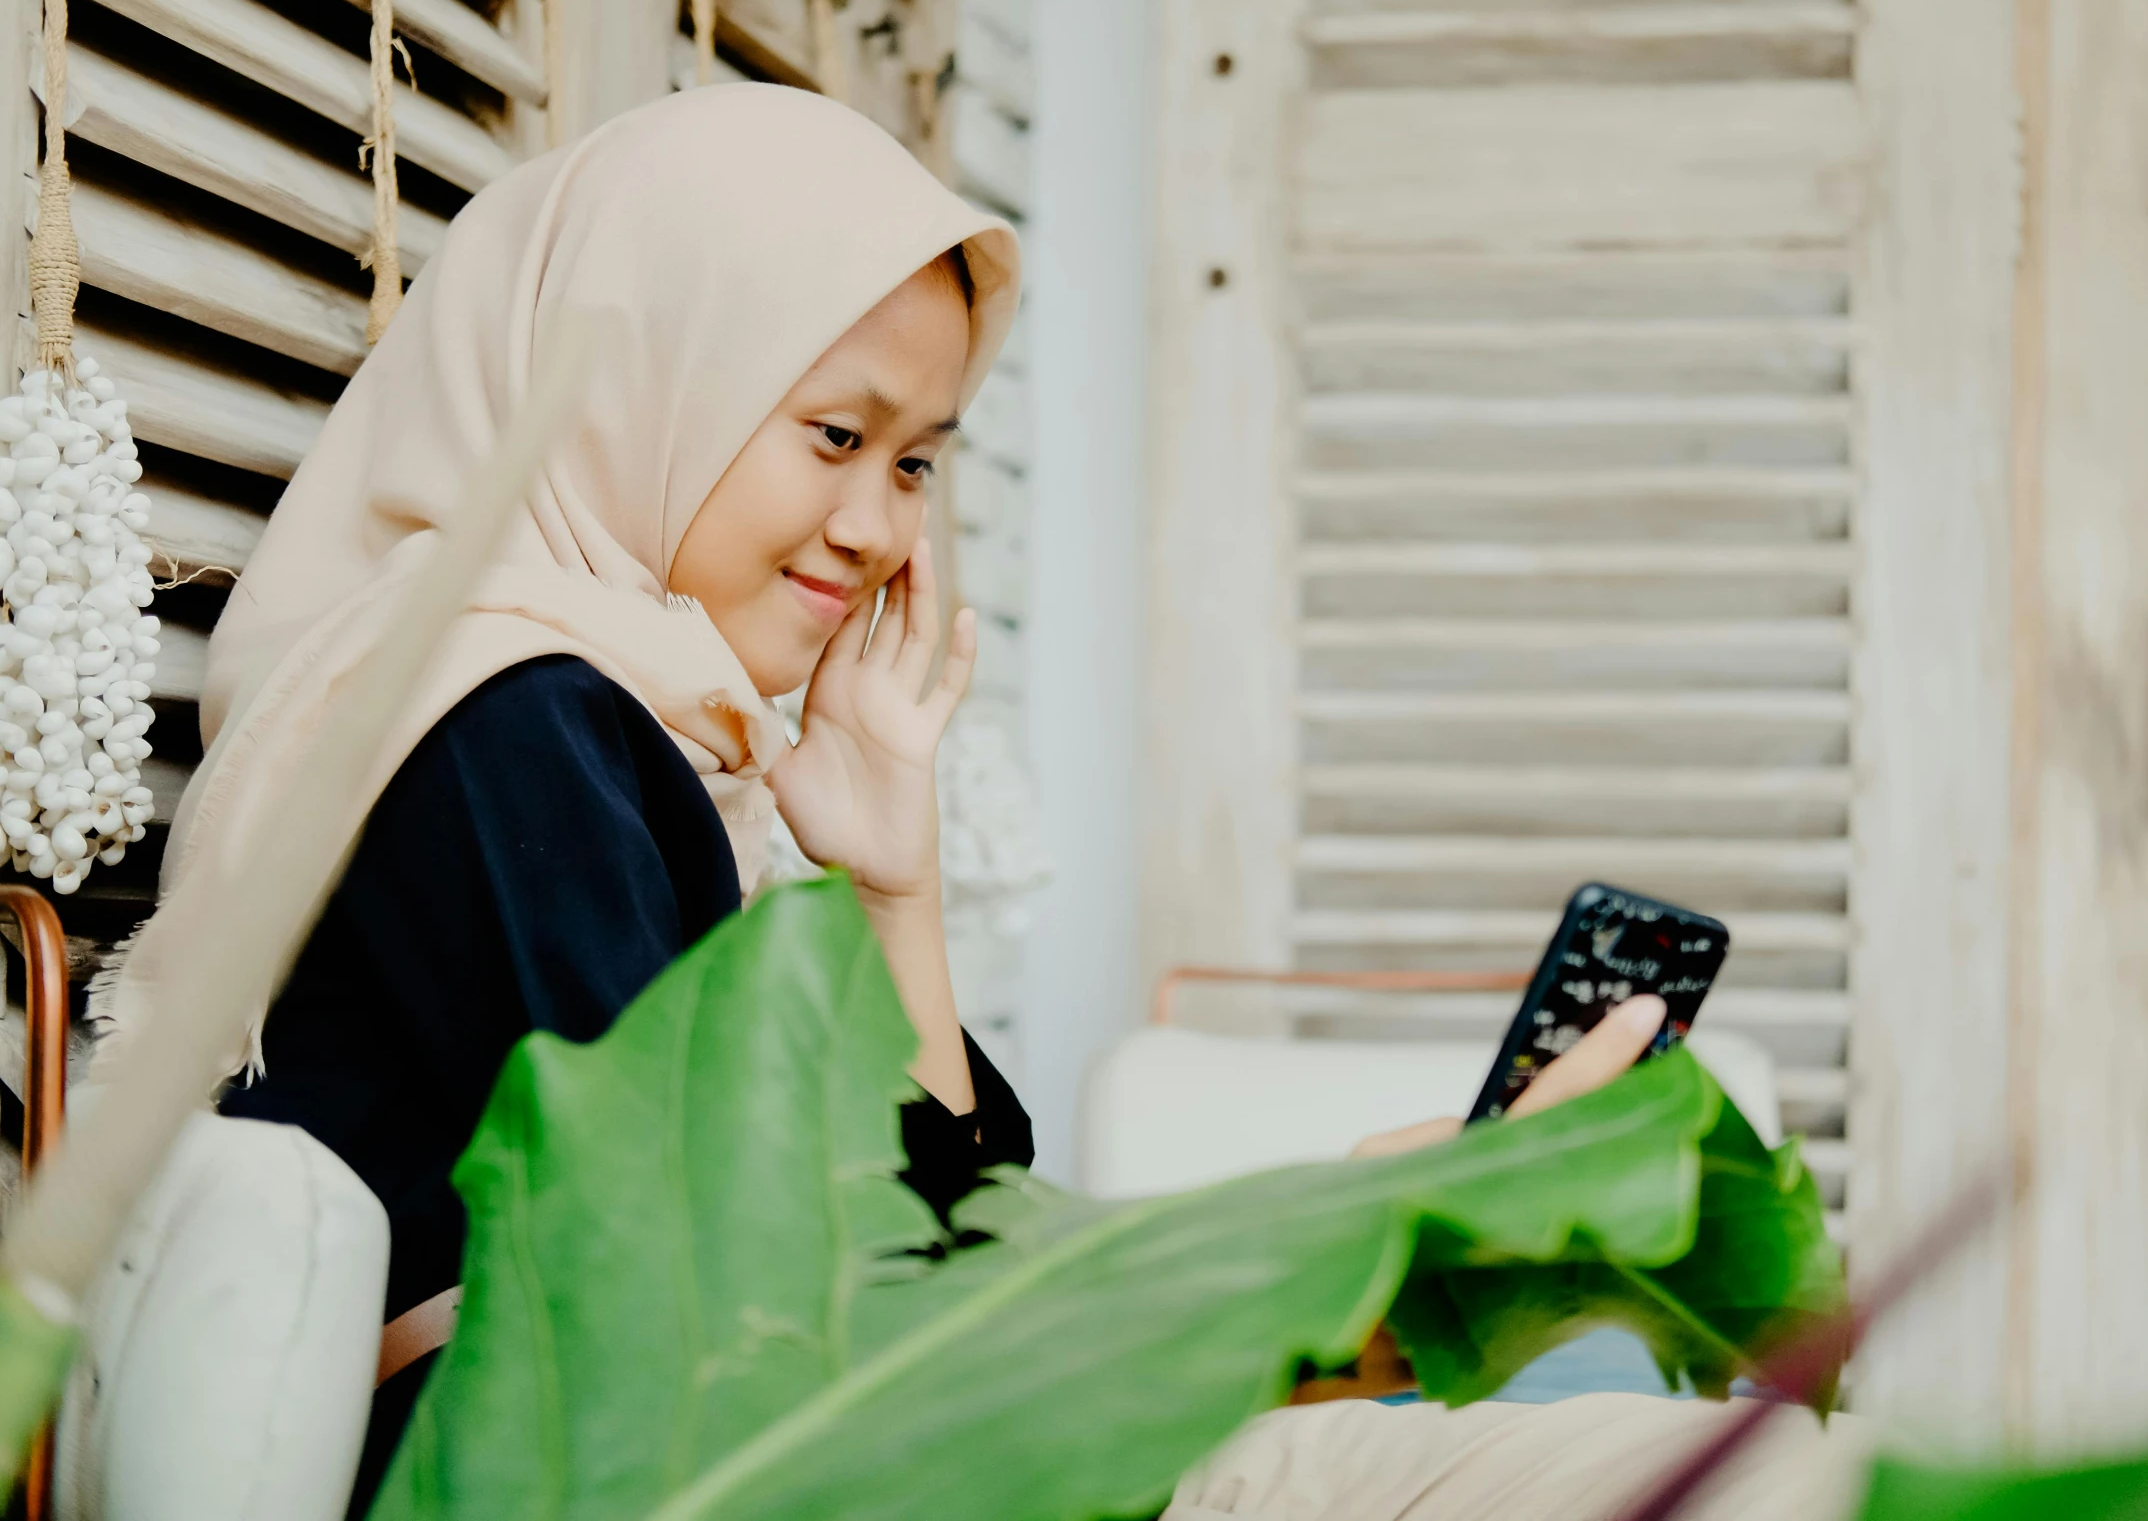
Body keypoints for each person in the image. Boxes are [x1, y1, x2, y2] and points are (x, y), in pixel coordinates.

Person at [92, 85, 1863, 1519]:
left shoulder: (674, 747)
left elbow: (934, 1224)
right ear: (649, 377)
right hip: (725, 1476)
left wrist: (893, 880)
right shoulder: (491, 716)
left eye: (919, 459)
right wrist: (1338, 1242)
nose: (878, 526)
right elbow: (821, 1265)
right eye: (833, 435)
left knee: (1758, 1467)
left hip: (884, 1456)